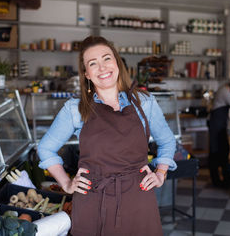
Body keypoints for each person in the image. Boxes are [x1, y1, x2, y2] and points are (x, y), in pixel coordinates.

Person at [37, 36, 177, 236]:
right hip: (92, 201)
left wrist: (160, 173)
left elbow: (167, 141)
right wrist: (67, 183)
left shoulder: (144, 102)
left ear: (117, 62)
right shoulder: (75, 109)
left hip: (138, 199)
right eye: (93, 63)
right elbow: (45, 148)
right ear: (86, 73)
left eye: (106, 59)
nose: (102, 68)